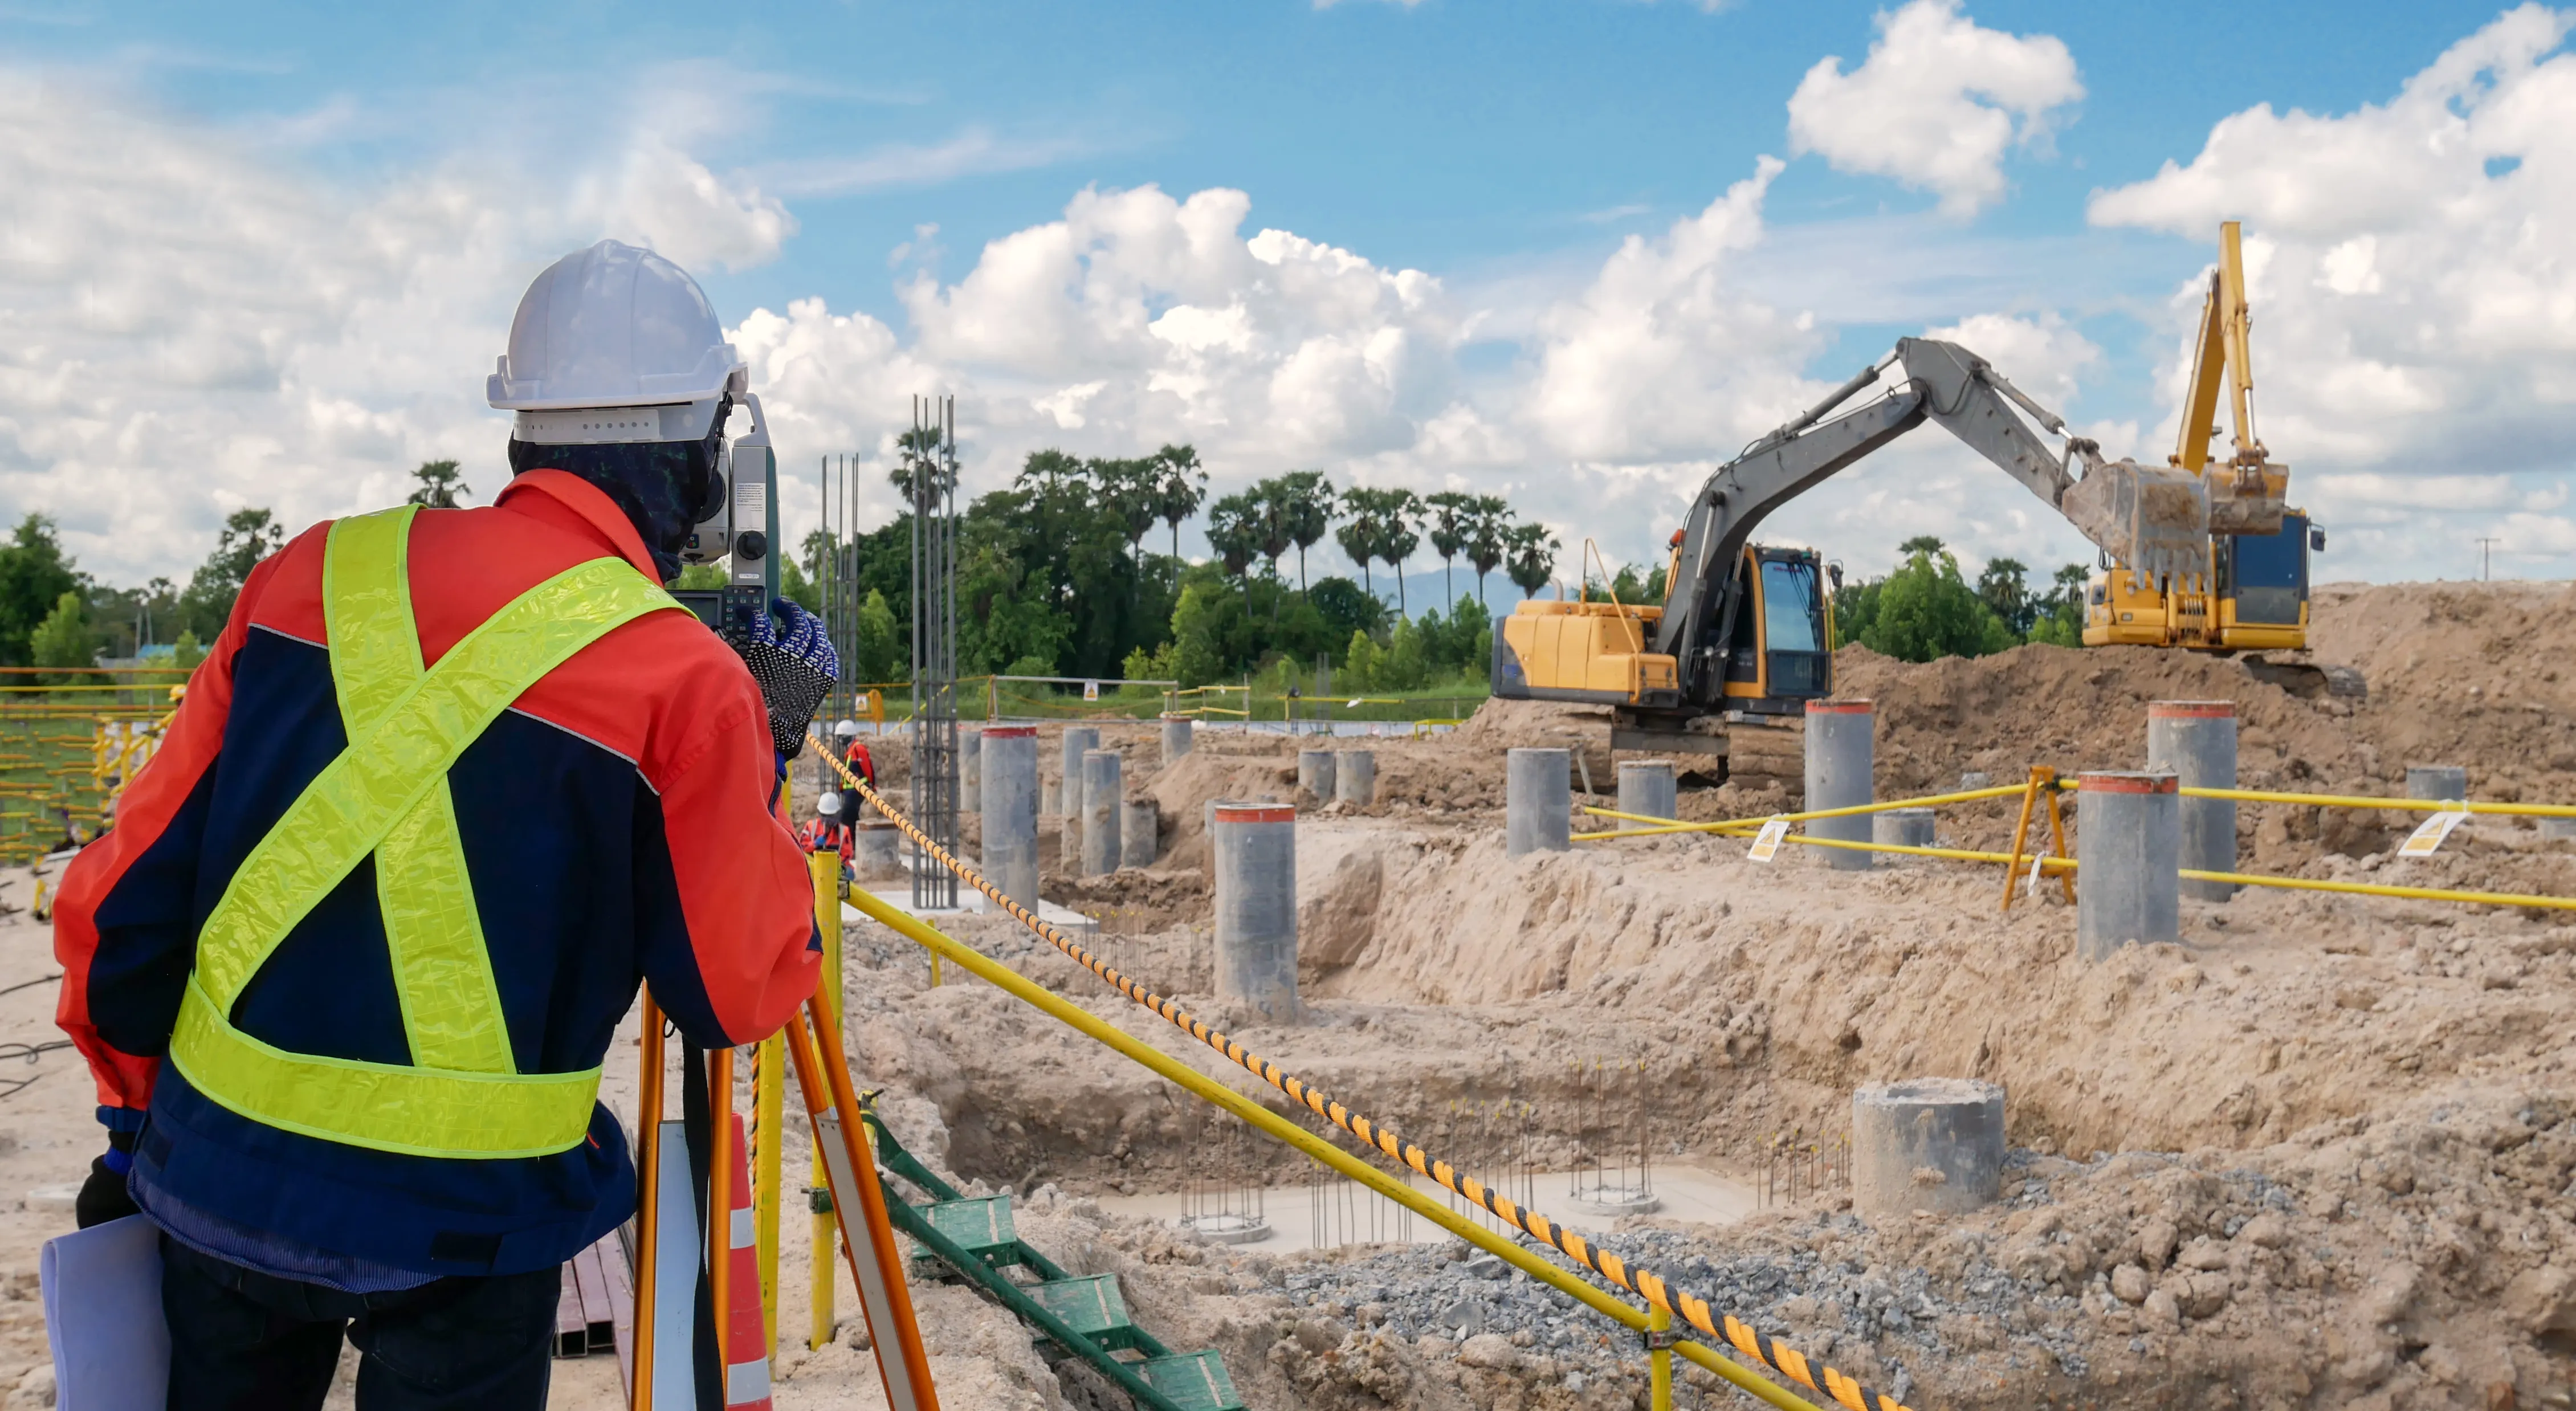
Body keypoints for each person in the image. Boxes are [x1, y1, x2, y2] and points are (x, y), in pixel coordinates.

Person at [52, 239, 832, 1411]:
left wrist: (131, 1112)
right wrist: (762, 748)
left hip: (219, 1177)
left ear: (519, 427)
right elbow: (736, 993)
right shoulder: (684, 680)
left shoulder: (310, 573)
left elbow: (122, 895)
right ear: (706, 459)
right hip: (472, 1231)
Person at [833, 717, 875, 789]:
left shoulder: (858, 749)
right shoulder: (851, 750)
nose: (840, 740)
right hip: (850, 790)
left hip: (858, 790)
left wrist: (871, 785)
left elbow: (867, 768)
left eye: (842, 736)